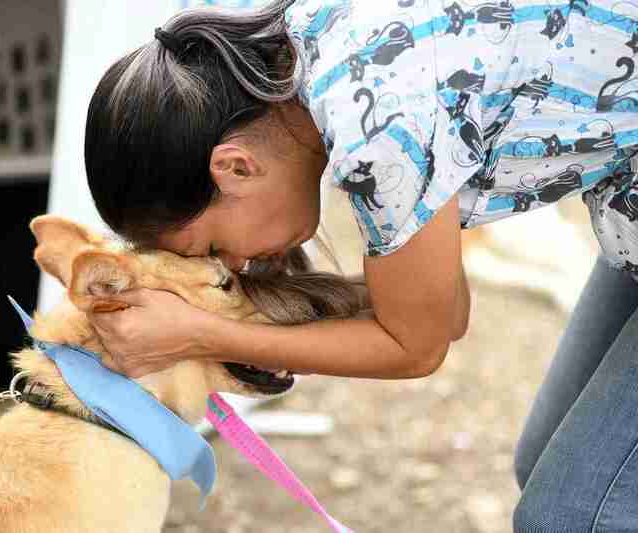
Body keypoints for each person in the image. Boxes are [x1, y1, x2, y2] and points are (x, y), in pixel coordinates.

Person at [83, 0, 638, 530]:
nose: (232, 263)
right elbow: (446, 311)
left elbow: (419, 345)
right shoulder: (315, 46)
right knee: (545, 466)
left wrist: (203, 336)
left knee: (572, 518)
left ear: (234, 167)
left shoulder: (375, 129)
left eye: (210, 247)